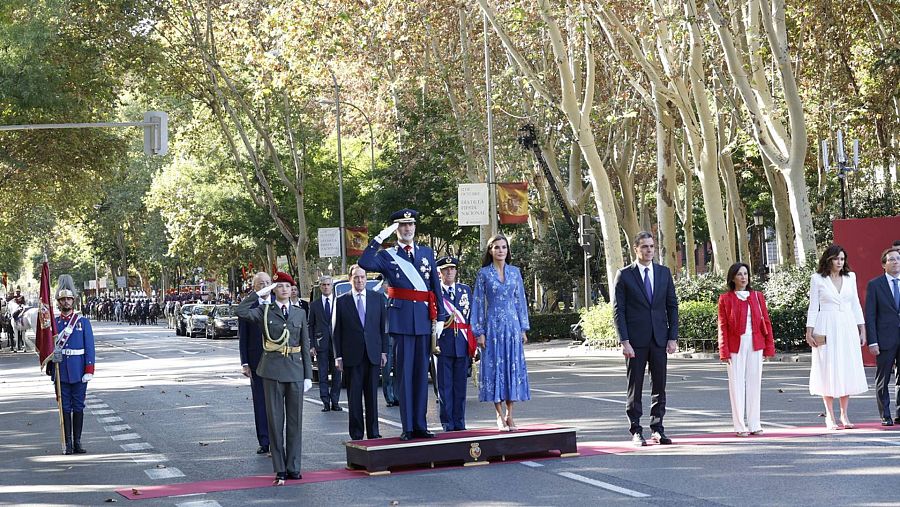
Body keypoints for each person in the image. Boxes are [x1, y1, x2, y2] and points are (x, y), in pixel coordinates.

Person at [358, 208, 447, 441]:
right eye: (402, 225)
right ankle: (408, 426)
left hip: (423, 320)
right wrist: (380, 237)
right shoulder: (388, 255)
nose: (407, 229)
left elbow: (435, 287)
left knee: (421, 375)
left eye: (410, 224)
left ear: (415, 227)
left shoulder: (426, 253)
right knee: (405, 376)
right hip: (401, 321)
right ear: (395, 229)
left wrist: (440, 317)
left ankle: (420, 425)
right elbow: (364, 261)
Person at [236, 271, 312, 485]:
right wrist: (259, 293)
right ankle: (280, 468)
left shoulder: (299, 313)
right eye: (279, 286)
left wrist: (308, 375)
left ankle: (294, 467)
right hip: (272, 371)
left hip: (295, 371)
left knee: (295, 422)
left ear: (292, 289)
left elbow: (305, 344)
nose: (284, 289)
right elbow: (240, 311)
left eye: (288, 286)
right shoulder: (265, 310)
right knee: (275, 421)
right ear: (273, 290)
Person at [612, 231, 678, 447]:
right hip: (635, 341)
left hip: (659, 338)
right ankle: (636, 430)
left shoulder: (663, 273)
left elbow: (672, 306)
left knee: (660, 385)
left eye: (651, 246)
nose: (649, 250)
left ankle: (658, 428)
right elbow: (618, 311)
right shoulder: (624, 275)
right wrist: (624, 341)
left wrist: (672, 337)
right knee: (636, 386)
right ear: (636, 249)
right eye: (645, 246)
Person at [805, 244, 868, 429]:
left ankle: (844, 415)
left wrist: (862, 329)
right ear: (828, 260)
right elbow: (813, 306)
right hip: (825, 325)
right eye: (836, 259)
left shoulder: (850, 277)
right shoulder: (817, 279)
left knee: (846, 367)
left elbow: (855, 303)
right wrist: (809, 331)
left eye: (842, 259)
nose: (839, 262)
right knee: (827, 368)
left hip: (847, 325)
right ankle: (830, 416)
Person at [472, 234, 530, 432]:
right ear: (490, 250)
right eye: (496, 247)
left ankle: (510, 415)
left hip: (512, 326)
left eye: (504, 247)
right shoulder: (484, 274)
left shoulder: (515, 272)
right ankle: (498, 414)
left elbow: (520, 300)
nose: (500, 250)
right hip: (493, 326)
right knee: (495, 368)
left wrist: (523, 328)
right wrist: (479, 331)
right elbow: (478, 303)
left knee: (512, 367)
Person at [717, 262, 775, 436]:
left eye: (745, 274)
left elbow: (766, 322)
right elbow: (722, 326)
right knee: (736, 384)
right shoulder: (725, 299)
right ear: (732, 278)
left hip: (756, 343)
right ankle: (739, 426)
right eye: (739, 274)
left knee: (754, 383)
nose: (743, 277)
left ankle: (755, 424)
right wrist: (723, 350)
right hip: (735, 346)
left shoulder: (757, 296)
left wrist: (769, 347)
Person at [333, 265, 388, 440]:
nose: (360, 280)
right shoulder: (341, 301)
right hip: (351, 356)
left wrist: (384, 351)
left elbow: (383, 328)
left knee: (372, 397)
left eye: (362, 277)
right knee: (354, 398)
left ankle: (374, 433)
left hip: (373, 354)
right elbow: (336, 331)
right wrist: (338, 356)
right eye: (356, 277)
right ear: (350, 279)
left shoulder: (377, 298)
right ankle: (357, 434)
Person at [44, 279, 95, 454]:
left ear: (73, 301)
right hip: (61, 371)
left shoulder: (83, 322)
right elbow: (48, 347)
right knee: (64, 407)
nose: (66, 302)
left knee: (78, 406)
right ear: (58, 303)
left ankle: (78, 442)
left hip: (79, 370)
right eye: (62, 300)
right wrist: (51, 362)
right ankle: (68, 443)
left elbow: (90, 348)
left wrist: (89, 369)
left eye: (69, 299)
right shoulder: (54, 323)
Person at [437, 256, 475, 431]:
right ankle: (447, 423)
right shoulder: (435, 292)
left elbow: (471, 317)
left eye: (452, 268)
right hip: (443, 344)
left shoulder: (465, 290)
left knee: (460, 387)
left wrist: (474, 343)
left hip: (462, 343)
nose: (449, 272)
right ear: (439, 272)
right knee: (445, 387)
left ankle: (460, 422)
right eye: (445, 269)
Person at [864, 247, 900, 426]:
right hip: (885, 339)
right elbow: (870, 315)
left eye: (898, 259)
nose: (896, 262)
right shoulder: (875, 285)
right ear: (883, 264)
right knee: (883, 379)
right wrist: (873, 341)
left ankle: (899, 413)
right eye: (891, 259)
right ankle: (885, 415)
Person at [238, 272, 272, 456]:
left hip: (278, 362)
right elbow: (243, 337)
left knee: (277, 403)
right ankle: (264, 440)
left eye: (267, 283)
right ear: (254, 287)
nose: (265, 286)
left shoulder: (278, 303)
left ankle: (277, 439)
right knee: (260, 401)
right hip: (256, 361)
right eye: (261, 284)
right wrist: (245, 363)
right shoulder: (249, 307)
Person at [308, 276, 343, 412]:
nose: (326, 287)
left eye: (328, 284)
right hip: (321, 344)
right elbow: (310, 325)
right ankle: (325, 402)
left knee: (337, 374)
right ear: (320, 287)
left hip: (337, 345)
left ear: (332, 286)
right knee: (322, 374)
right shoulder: (314, 305)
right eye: (323, 285)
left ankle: (335, 401)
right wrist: (312, 345)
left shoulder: (339, 302)